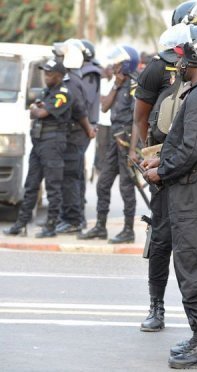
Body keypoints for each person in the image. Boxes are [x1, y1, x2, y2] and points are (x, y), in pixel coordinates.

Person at [142, 25, 197, 369]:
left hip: (195, 189)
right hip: (194, 186)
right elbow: (189, 144)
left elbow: (193, 150)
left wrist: (162, 171)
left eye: (182, 57)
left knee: (195, 265)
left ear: (194, 59)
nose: (177, 63)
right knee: (192, 263)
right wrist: (161, 159)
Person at [129, 2, 197, 333]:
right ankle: (156, 306)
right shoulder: (157, 67)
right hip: (163, 159)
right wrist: (140, 151)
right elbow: (140, 116)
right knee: (162, 238)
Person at [3, 60, 73, 237]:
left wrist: (37, 108)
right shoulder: (46, 91)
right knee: (31, 185)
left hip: (53, 143)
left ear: (58, 76)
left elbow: (40, 112)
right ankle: (21, 223)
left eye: (49, 74)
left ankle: (50, 226)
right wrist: (36, 107)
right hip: (39, 142)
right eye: (45, 73)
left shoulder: (62, 94)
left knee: (52, 186)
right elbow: (33, 109)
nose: (45, 76)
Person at [78, 45, 140, 244]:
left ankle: (128, 230)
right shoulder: (119, 84)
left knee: (126, 187)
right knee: (103, 183)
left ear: (126, 64)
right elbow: (104, 107)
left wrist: (132, 150)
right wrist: (115, 84)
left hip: (127, 140)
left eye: (118, 63)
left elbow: (138, 119)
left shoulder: (134, 85)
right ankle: (100, 227)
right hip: (114, 140)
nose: (114, 66)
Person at [52, 39, 96, 234]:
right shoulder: (70, 79)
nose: (56, 59)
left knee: (70, 178)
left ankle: (73, 220)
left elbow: (80, 111)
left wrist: (88, 130)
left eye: (59, 56)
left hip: (74, 136)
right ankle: (73, 218)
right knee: (72, 178)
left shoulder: (72, 82)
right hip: (73, 136)